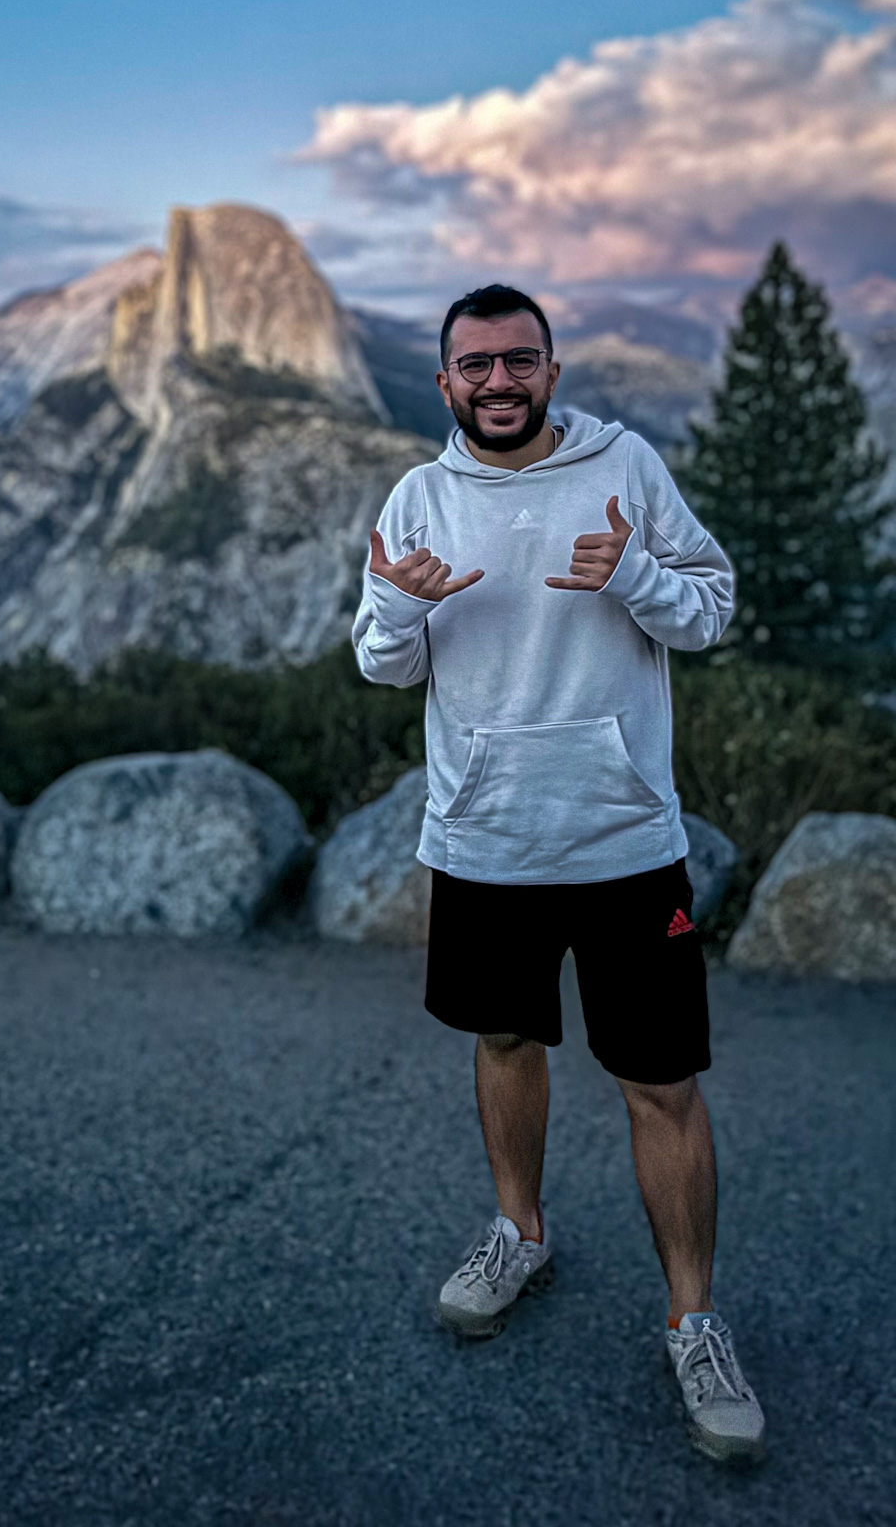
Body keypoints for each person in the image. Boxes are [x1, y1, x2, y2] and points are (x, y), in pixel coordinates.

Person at [352, 282, 765, 1464]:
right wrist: (396, 602)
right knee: (503, 1043)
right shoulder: (419, 495)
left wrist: (634, 576)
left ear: (552, 368)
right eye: (475, 365)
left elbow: (710, 612)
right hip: (484, 841)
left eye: (518, 360)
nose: (498, 381)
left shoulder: (626, 467)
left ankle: (694, 1319)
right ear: (446, 382)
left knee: (664, 1082)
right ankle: (518, 1232)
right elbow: (383, 665)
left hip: (627, 840)